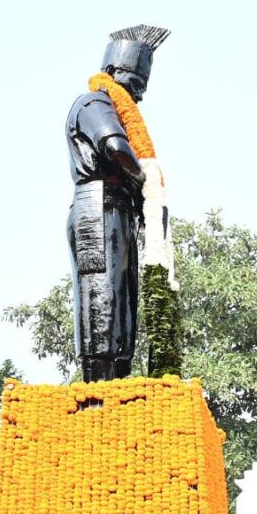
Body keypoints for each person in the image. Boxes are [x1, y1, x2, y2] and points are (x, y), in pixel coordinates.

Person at [66, 25, 170, 382]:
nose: (136, 97)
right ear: (110, 74)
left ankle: (119, 388)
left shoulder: (115, 106)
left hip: (118, 210)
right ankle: (99, 394)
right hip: (98, 207)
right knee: (102, 297)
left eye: (142, 88)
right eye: (132, 84)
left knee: (124, 308)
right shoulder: (93, 103)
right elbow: (115, 149)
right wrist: (149, 182)